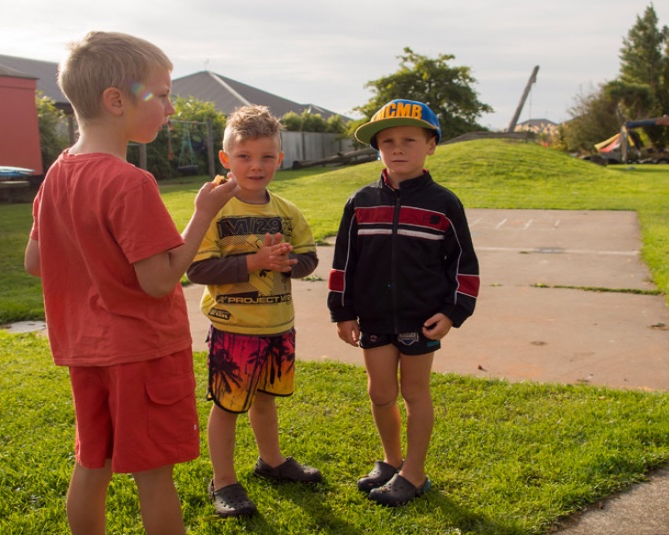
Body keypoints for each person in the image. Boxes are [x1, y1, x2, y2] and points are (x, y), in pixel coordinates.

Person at [23, 31, 238, 535]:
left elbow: (36, 261)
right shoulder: (129, 182)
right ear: (115, 101)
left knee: (91, 462)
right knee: (153, 474)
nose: (169, 106)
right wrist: (203, 213)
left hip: (85, 351)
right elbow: (160, 281)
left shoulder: (57, 173)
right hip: (141, 351)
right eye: (161, 94)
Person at [327, 99, 480, 507]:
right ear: (377, 147)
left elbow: (465, 265)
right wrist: (342, 312)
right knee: (380, 392)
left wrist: (453, 311)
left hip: (421, 319)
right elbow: (343, 262)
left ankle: (415, 473)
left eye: (409, 140)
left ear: (431, 145)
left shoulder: (445, 204)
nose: (398, 148)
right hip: (373, 317)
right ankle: (392, 461)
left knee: (415, 393)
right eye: (388, 140)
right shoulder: (359, 202)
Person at [186, 105, 321, 518]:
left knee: (266, 398)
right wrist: (254, 263)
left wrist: (289, 265)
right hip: (234, 328)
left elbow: (310, 257)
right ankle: (223, 480)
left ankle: (272, 462)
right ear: (226, 160)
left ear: (279, 159)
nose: (256, 166)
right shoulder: (216, 209)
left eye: (266, 157)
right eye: (244, 156)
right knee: (228, 406)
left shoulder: (286, 210)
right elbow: (197, 268)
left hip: (279, 324)